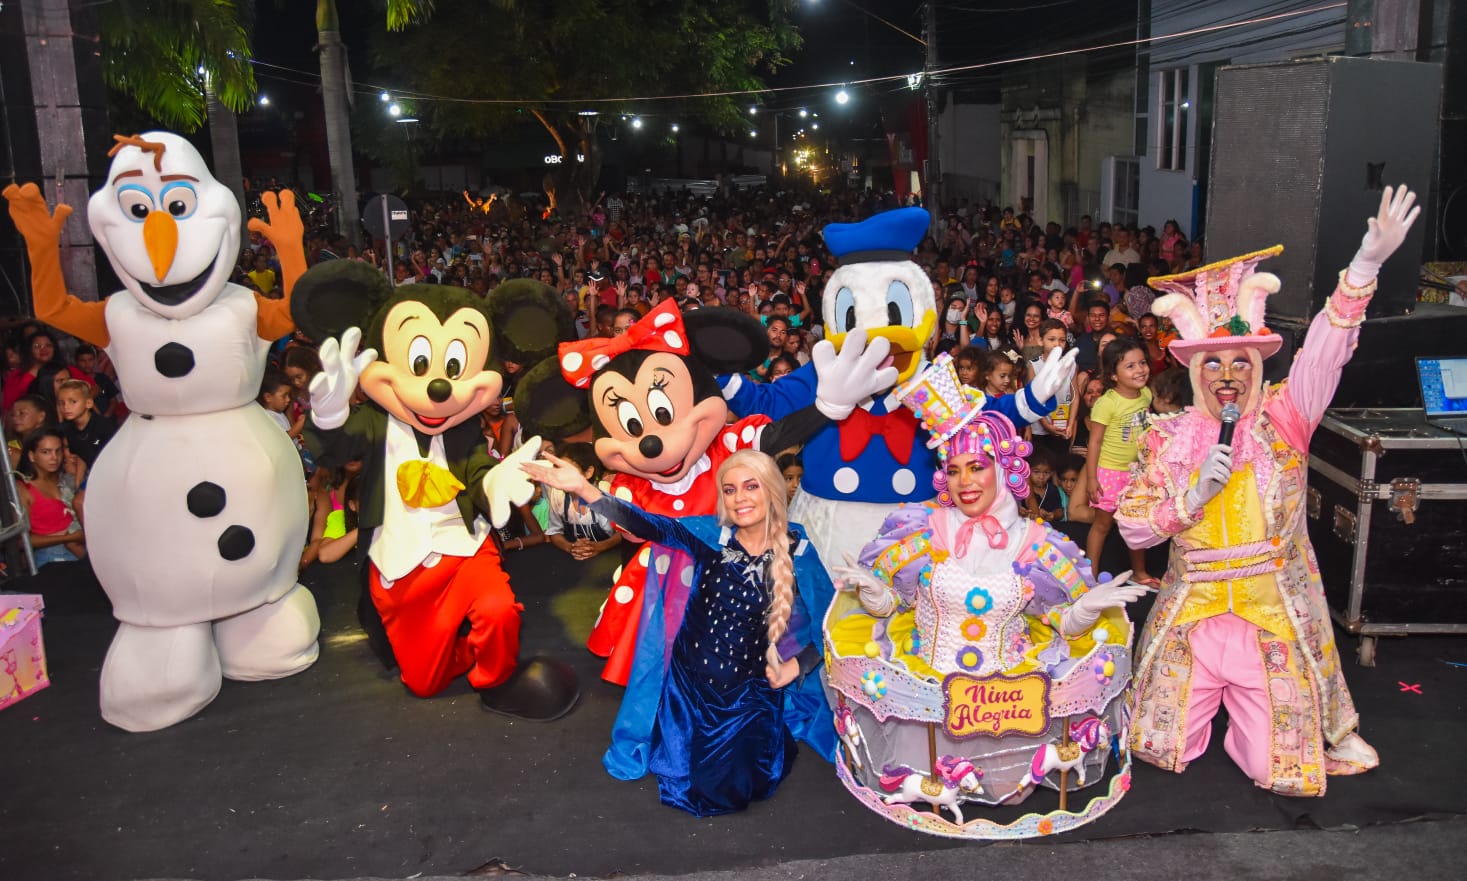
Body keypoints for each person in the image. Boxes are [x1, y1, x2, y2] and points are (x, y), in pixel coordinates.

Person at [1118, 187, 1420, 796]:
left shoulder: (1286, 418)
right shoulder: (1167, 438)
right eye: (1213, 364)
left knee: (1278, 773)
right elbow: (1132, 527)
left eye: (1240, 364)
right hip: (1193, 611)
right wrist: (1191, 497)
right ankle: (1210, 701)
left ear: (1258, 368)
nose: (1227, 377)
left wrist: (1365, 265)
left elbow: (1326, 351)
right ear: (1193, 370)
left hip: (1272, 610)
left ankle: (1265, 712)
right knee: (1153, 747)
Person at [823, 353, 1146, 830]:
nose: (965, 482)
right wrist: (874, 593)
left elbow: (1055, 618)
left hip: (1009, 701)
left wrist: (1084, 610)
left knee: (1014, 780)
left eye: (977, 466)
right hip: (929, 700)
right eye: (953, 470)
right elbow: (894, 603)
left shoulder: (1037, 545)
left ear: (1003, 467)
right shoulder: (921, 532)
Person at [524, 448, 837, 817]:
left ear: (772, 489)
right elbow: (648, 524)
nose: (740, 498)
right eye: (730, 489)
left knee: (731, 790)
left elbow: (826, 623)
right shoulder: (709, 536)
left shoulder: (798, 549)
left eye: (751, 486)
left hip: (749, 695)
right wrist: (585, 489)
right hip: (691, 687)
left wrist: (794, 668)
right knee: (696, 782)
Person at [1085, 336, 1156, 586]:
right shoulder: (1107, 403)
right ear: (1113, 375)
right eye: (1130, 366)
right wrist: (1092, 479)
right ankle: (1089, 576)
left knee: (1135, 523)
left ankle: (1139, 572)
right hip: (1110, 473)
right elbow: (1094, 442)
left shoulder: (1146, 395)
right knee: (1102, 525)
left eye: (1142, 363)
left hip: (1137, 473)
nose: (1140, 370)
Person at [16, 427, 86, 565]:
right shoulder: (22, 488)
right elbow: (20, 541)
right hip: (50, 556)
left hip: (81, 550)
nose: (54, 457)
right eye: (46, 452)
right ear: (31, 456)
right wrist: (66, 538)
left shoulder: (65, 479)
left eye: (58, 451)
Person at [543, 442, 620, 561]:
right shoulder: (557, 494)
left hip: (610, 557)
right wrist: (571, 548)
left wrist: (599, 547)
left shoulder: (607, 494)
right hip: (575, 559)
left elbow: (623, 534)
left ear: (588, 472)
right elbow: (554, 532)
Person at [57, 379, 115, 469]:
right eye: (62, 403)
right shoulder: (67, 429)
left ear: (88, 403)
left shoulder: (104, 426)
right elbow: (80, 457)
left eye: (73, 402)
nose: (66, 407)